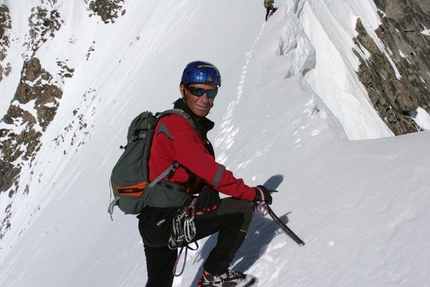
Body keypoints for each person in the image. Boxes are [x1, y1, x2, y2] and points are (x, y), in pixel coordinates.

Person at [137, 60, 274, 287]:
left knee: (159, 283)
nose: (205, 98)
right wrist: (253, 194)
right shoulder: (178, 127)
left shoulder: (178, 122)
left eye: (211, 92)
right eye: (197, 90)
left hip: (153, 223)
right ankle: (214, 275)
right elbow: (213, 172)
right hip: (169, 220)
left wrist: (205, 188)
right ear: (183, 90)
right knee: (240, 209)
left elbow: (184, 172)